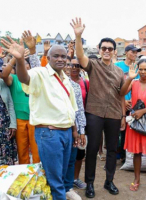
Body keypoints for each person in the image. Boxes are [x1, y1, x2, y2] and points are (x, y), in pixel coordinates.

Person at [1, 35, 78, 199]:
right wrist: (20, 59)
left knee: (61, 178)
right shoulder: (40, 73)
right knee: (56, 180)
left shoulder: (66, 79)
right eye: (56, 56)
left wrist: (75, 131)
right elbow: (24, 78)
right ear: (48, 58)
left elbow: (72, 109)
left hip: (66, 133)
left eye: (63, 56)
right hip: (49, 134)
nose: (60, 59)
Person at [71, 18, 125, 198]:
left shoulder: (119, 72)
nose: (107, 51)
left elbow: (122, 94)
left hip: (114, 114)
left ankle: (109, 181)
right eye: (104, 48)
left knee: (112, 149)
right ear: (99, 50)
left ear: (114, 51)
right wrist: (78, 36)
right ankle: (90, 183)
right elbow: (80, 56)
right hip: (94, 113)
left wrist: (123, 116)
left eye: (110, 49)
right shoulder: (93, 65)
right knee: (92, 149)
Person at [120, 58, 146, 192]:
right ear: (137, 70)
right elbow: (121, 93)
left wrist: (142, 111)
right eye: (141, 69)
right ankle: (136, 179)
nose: (143, 72)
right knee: (136, 152)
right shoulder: (134, 82)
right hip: (135, 120)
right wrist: (129, 78)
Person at [0, 31, 40, 164]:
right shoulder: (14, 79)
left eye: (27, 65)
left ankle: (38, 175)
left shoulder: (35, 78)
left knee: (37, 151)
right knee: (22, 151)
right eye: (21, 65)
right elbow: (4, 75)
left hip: (35, 119)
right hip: (19, 120)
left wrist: (30, 51)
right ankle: (25, 175)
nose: (25, 67)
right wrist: (15, 58)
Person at [64, 57, 88, 200]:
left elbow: (79, 109)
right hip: (55, 128)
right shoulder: (53, 82)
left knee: (72, 159)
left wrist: (81, 131)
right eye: (68, 65)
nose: (71, 68)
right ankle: (58, 188)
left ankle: (68, 187)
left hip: (74, 129)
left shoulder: (76, 86)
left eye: (74, 65)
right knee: (59, 160)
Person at [115, 44, 141, 163]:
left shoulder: (138, 67)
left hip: (133, 105)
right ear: (126, 53)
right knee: (117, 131)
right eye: (132, 52)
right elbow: (114, 85)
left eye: (136, 53)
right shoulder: (117, 66)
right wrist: (124, 100)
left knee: (129, 131)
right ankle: (116, 156)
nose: (135, 54)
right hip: (119, 103)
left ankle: (126, 156)